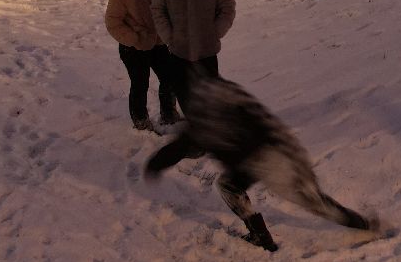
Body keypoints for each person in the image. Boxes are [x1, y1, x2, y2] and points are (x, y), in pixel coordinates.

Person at [145, 73, 379, 252]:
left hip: (272, 160)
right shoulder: (226, 93)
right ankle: (260, 235)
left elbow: (181, 146)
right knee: (229, 185)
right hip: (265, 155)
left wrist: (155, 164)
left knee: (312, 201)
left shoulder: (205, 117)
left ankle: (362, 225)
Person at [151, 0, 236, 110]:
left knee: (210, 101)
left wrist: (215, 33)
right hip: (179, 52)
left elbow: (227, 7)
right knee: (186, 100)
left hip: (207, 51)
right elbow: (158, 10)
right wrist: (169, 37)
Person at [104, 0, 179, 130]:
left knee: (170, 77)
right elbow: (113, 22)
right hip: (133, 48)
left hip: (158, 42)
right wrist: (133, 39)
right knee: (140, 83)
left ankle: (169, 113)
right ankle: (140, 120)